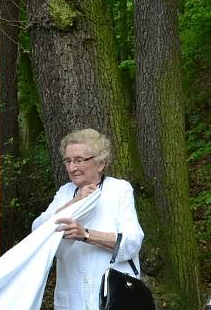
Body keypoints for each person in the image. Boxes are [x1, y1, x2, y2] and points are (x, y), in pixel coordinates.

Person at [32, 128, 144, 310]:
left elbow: (132, 242)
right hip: (72, 295)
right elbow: (37, 230)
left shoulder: (119, 190)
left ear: (100, 163)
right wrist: (75, 202)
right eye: (67, 161)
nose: (71, 168)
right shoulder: (65, 193)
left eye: (78, 160)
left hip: (114, 296)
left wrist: (85, 234)